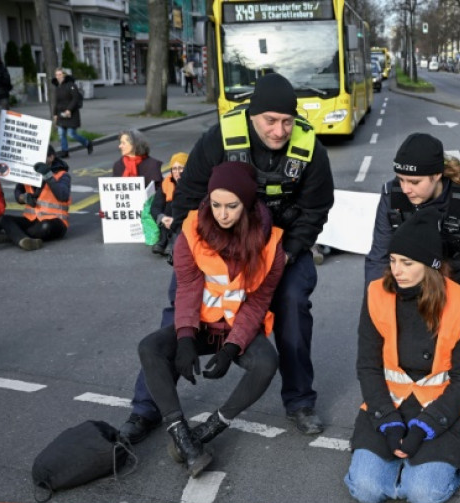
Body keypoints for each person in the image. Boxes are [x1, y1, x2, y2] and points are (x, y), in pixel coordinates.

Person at [118, 73, 334, 444]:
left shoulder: (310, 148)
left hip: (279, 246)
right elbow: (188, 195)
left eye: (287, 121)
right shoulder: (220, 138)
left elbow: (316, 209)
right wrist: (188, 247)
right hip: (217, 242)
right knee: (180, 306)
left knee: (293, 304)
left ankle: (299, 401)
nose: (280, 131)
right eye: (270, 120)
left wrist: (288, 253)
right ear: (252, 115)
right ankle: (146, 407)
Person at [138, 161, 284, 478]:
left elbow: (258, 302)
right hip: (203, 326)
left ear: (248, 205)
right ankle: (181, 435)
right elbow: (188, 288)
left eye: (232, 206)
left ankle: (209, 429)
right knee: (150, 348)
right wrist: (185, 338)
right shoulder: (191, 231)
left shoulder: (271, 246)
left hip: (236, 328)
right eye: (216, 205)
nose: (222, 214)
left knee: (266, 362)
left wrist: (231, 348)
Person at [365, 133, 460, 409]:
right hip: (414, 290)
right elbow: (379, 258)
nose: (406, 189)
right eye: (401, 179)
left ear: (437, 176)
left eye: (414, 182)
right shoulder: (392, 196)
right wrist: (376, 311)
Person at [346, 208, 460, 503]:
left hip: (443, 409)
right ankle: (399, 469)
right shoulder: (376, 293)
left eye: (407, 263)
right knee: (366, 491)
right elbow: (367, 366)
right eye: (393, 260)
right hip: (389, 404)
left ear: (431, 266)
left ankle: (419, 470)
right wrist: (387, 421)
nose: (397, 270)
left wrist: (424, 427)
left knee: (423, 496)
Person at [0, 146, 71, 251]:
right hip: (32, 219)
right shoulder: (29, 173)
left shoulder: (62, 175)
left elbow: (63, 195)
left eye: (40, 156)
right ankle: (23, 240)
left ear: (51, 157)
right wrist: (23, 198)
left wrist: (48, 176)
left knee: (45, 227)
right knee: (4, 219)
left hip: (55, 221)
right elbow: (18, 191)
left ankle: (13, 236)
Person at [52, 68, 93, 158]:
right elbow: (57, 102)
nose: (58, 77)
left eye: (60, 74)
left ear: (64, 75)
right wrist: (55, 114)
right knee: (61, 133)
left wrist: (69, 109)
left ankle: (87, 143)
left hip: (72, 114)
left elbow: (75, 98)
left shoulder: (71, 85)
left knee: (72, 134)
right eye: (56, 75)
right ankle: (65, 151)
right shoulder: (58, 87)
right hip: (61, 114)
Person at [151, 152, 187, 256]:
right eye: (174, 169)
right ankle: (164, 240)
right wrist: (162, 218)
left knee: (175, 204)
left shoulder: (193, 184)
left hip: (184, 221)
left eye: (181, 168)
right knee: (167, 206)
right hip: (168, 220)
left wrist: (176, 221)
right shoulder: (166, 183)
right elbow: (155, 206)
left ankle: (172, 241)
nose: (177, 172)